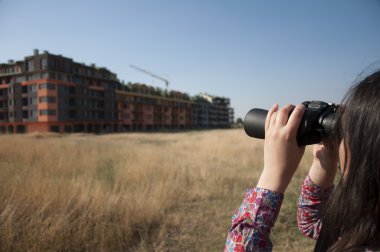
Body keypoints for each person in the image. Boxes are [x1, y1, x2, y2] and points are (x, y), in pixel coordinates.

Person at [224, 70, 380, 252]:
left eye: (346, 133)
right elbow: (312, 223)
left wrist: (272, 176)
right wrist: (325, 161)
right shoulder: (368, 224)